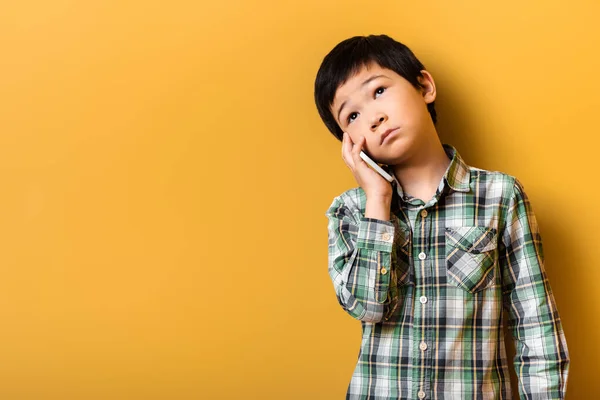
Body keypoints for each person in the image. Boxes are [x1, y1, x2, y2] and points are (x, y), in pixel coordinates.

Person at [314, 34, 570, 399]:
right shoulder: (351, 211)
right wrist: (378, 198)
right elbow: (366, 307)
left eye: (379, 92)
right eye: (351, 116)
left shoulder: (499, 196)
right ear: (349, 144)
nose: (373, 117)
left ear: (424, 86)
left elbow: (535, 325)